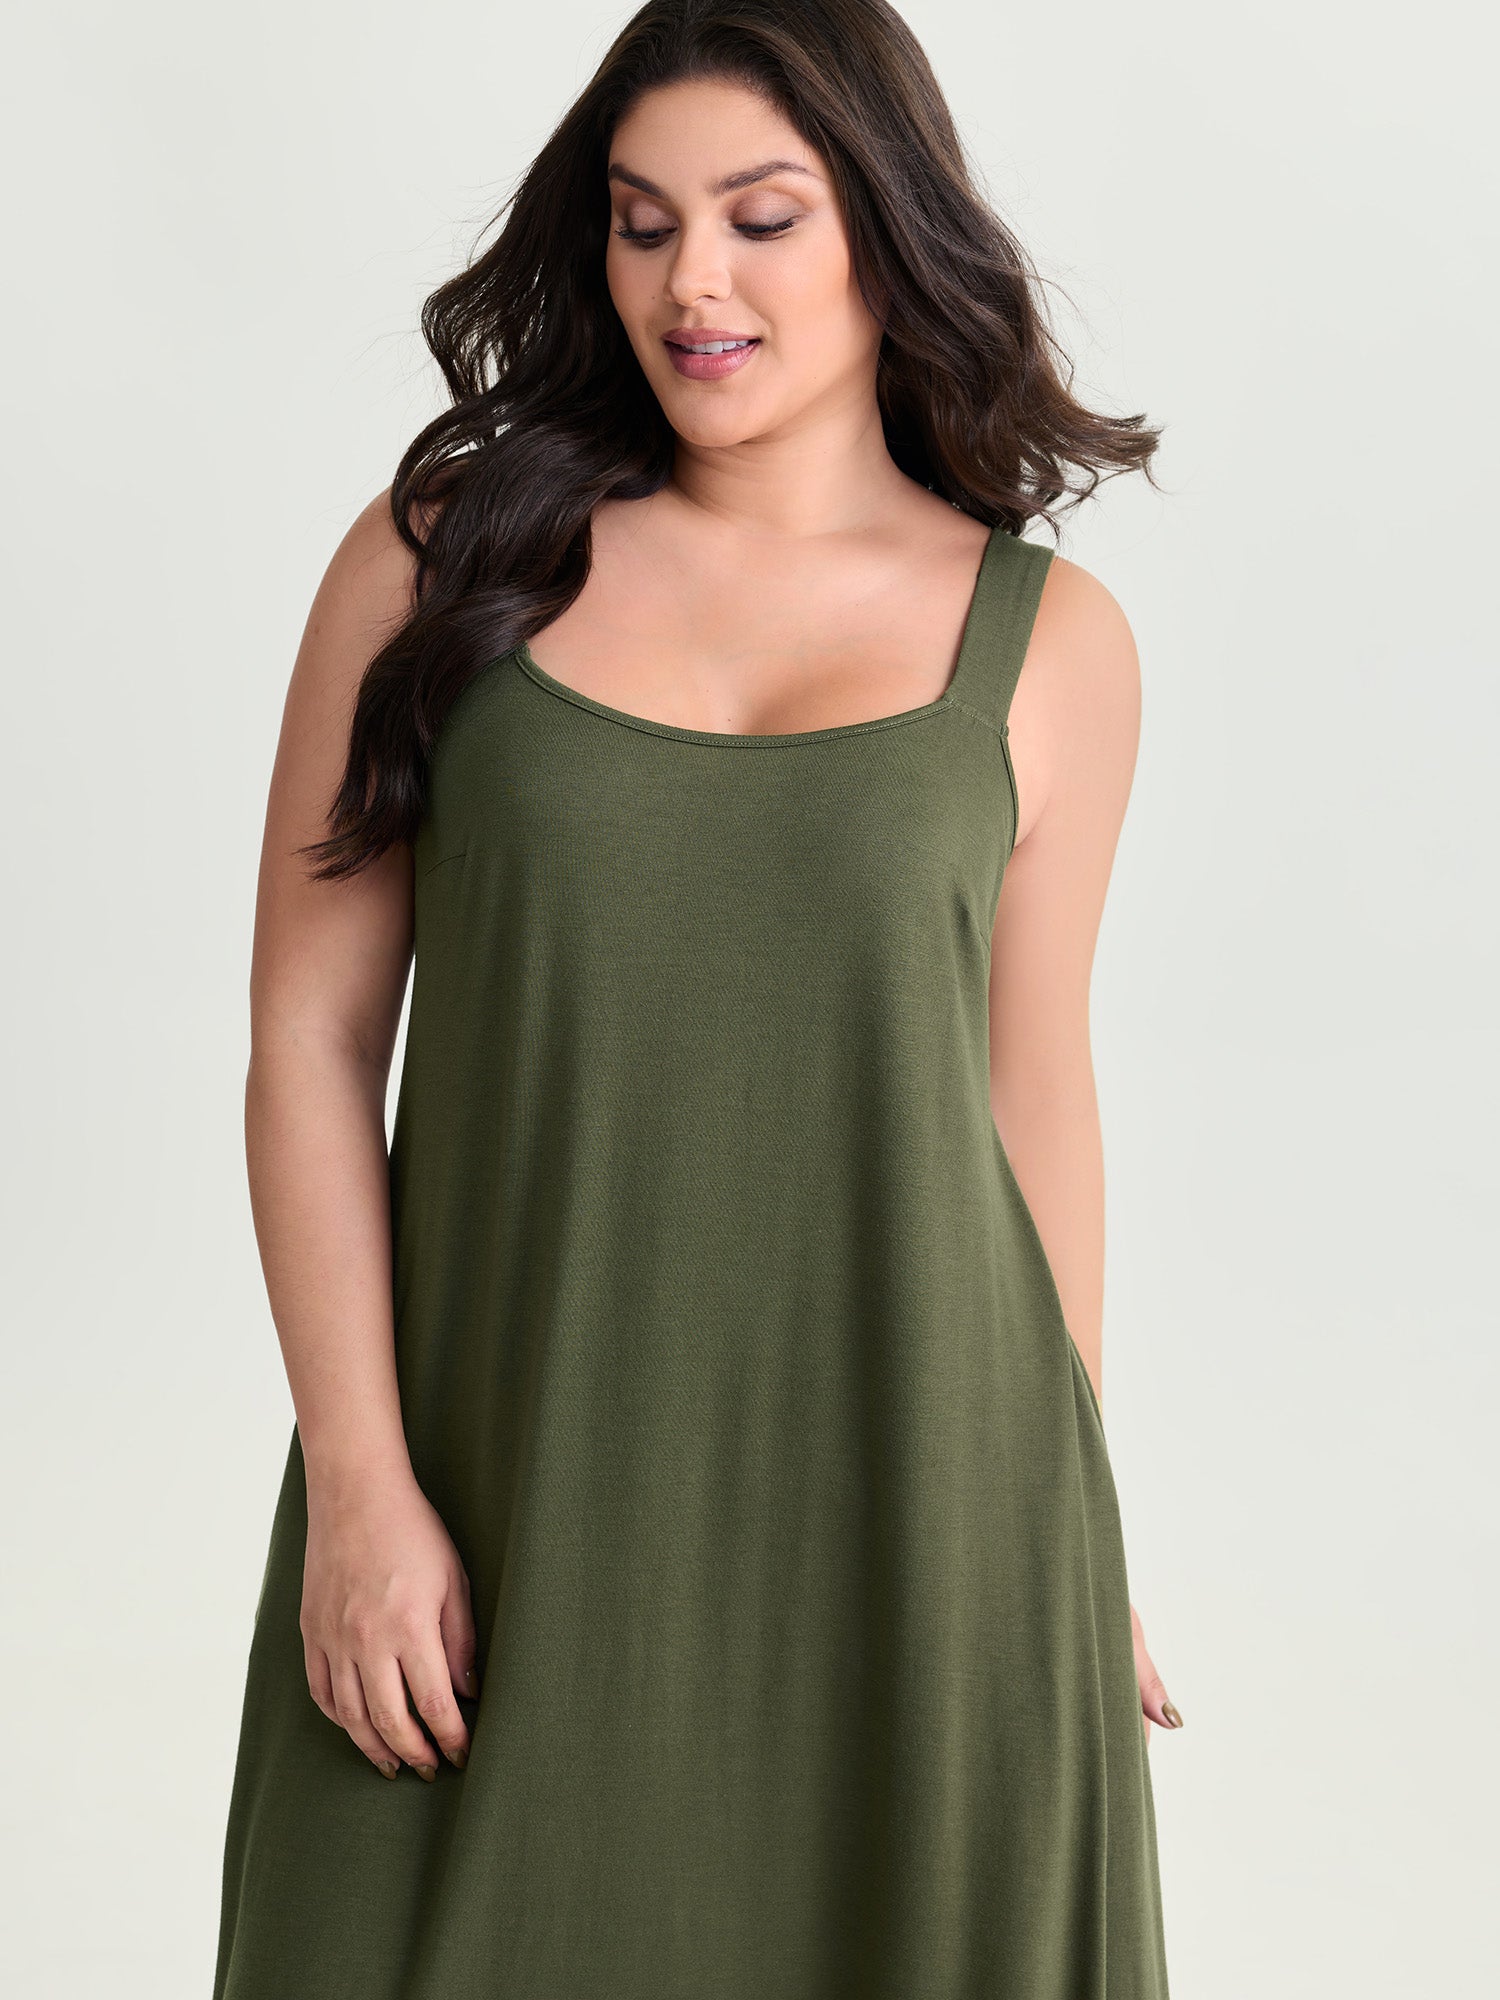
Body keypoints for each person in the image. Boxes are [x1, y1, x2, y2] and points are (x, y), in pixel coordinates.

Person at [212, 2, 1182, 1993]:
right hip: (491, 1502)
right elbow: (308, 1039)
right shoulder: (437, 567)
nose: (692, 285)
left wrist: (1068, 1533)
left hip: (924, 1518)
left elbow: (1030, 1103)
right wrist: (361, 1487)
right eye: (643, 224)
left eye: (761, 218)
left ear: (886, 231)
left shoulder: (1054, 645)